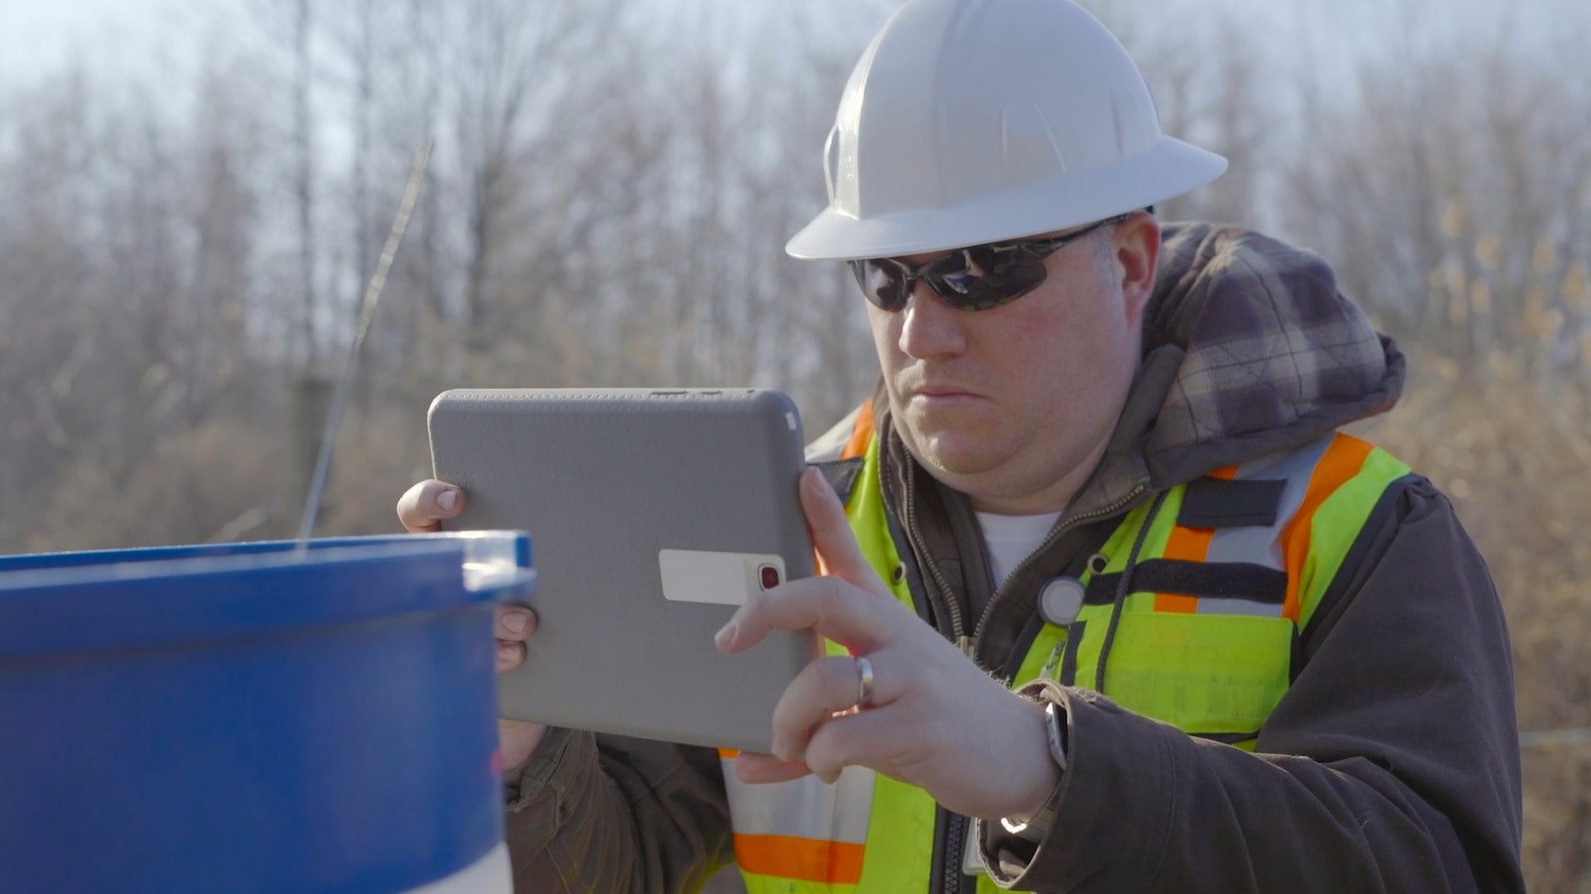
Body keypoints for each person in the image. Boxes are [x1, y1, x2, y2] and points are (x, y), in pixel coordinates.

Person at [398, 0, 1524, 889]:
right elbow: (625, 865)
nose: (921, 329)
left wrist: (1053, 775)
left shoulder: (1351, 530)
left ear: (1129, 262)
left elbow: (1438, 867)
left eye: (986, 268)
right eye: (886, 277)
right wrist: (515, 752)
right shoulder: (771, 523)